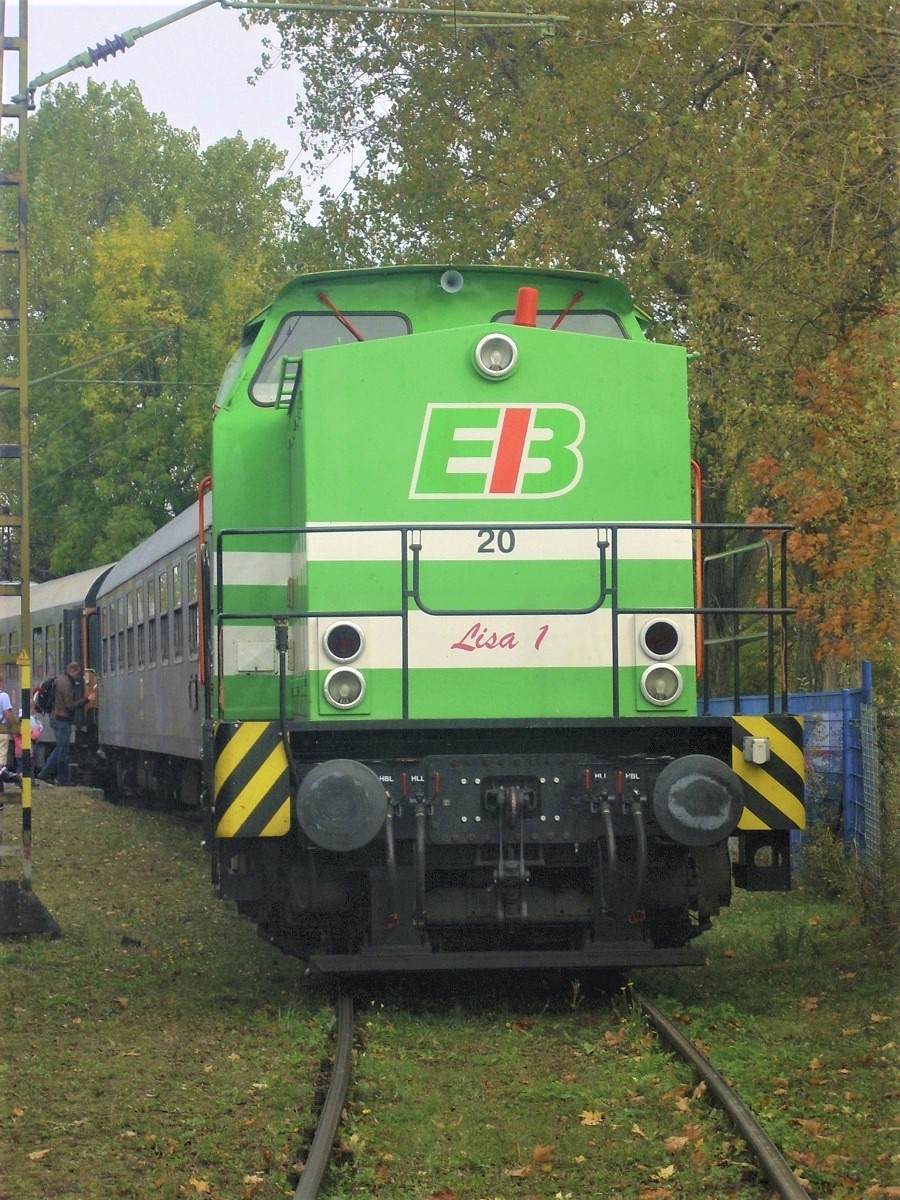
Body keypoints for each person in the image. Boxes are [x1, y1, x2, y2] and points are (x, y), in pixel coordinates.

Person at [37, 663, 93, 787]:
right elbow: (70, 705)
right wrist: (87, 700)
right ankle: (60, 778)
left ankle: (47, 773)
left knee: (60, 748)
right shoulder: (67, 683)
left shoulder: (60, 680)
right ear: (72, 671)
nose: (78, 676)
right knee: (63, 750)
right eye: (77, 673)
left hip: (55, 718)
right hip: (62, 720)